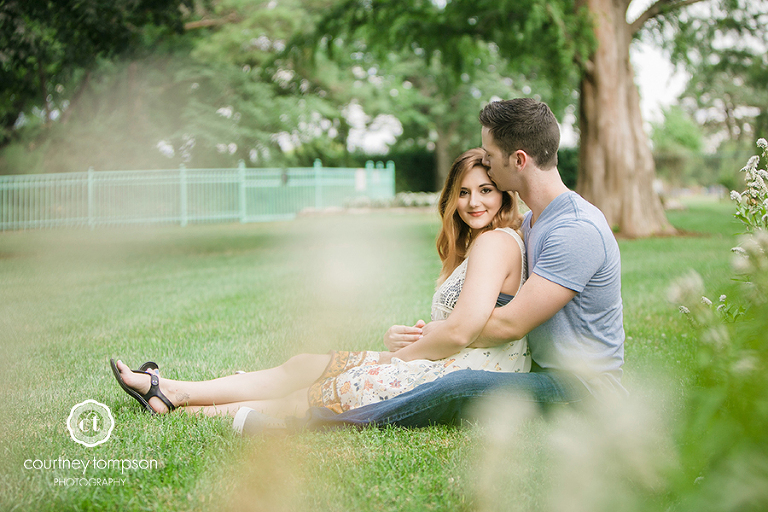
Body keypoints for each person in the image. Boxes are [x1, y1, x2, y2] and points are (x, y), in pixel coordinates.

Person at [110, 148, 531, 430]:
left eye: (486, 191)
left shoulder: (496, 242)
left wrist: (396, 357)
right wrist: (403, 341)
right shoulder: (475, 244)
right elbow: (460, 327)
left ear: (504, 194)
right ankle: (175, 391)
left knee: (308, 394)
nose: (474, 202)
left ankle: (177, 403)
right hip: (440, 361)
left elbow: (460, 334)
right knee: (304, 364)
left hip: (465, 374)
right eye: (463, 192)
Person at [297, 97, 627, 431]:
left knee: (459, 386)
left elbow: (509, 325)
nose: (486, 161)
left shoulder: (576, 229)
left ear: (518, 160)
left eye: (490, 155)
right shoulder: (532, 224)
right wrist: (433, 336)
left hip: (584, 389)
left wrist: (444, 330)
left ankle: (317, 423)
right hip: (540, 373)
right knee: (447, 374)